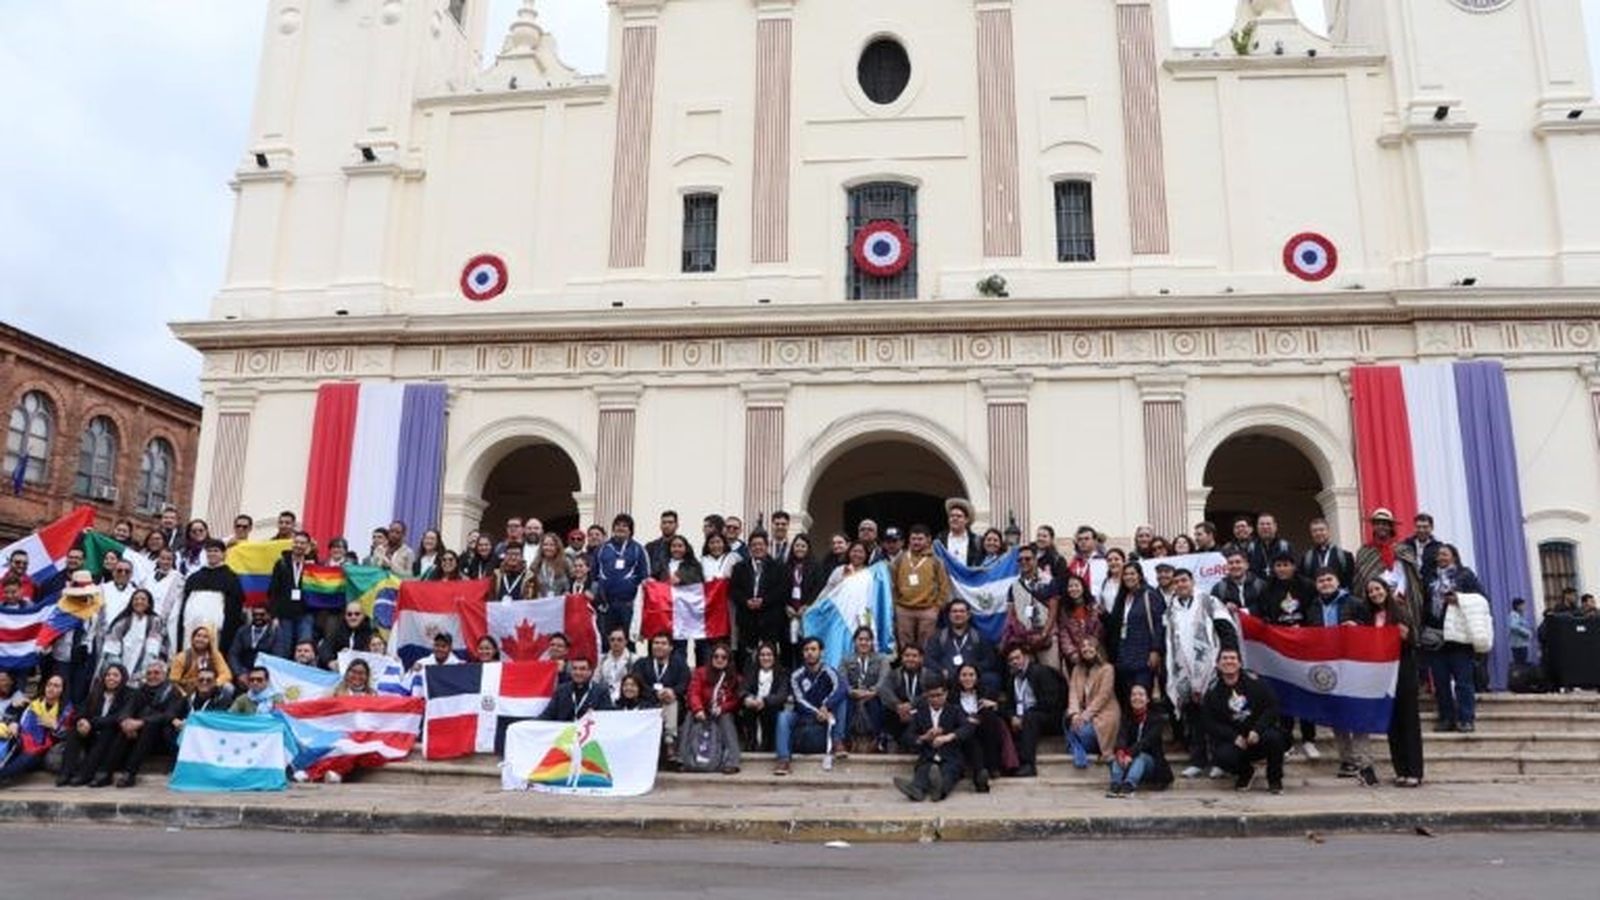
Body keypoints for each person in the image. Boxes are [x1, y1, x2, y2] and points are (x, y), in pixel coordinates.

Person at [1352, 578, 1424, 786]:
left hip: (1403, 672)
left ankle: (1414, 772)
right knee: (1392, 723)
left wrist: (1406, 636)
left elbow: (1414, 640)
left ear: (1386, 589)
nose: (1375, 593)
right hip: (1382, 676)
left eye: (1377, 589)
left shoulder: (1401, 611)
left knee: (1409, 722)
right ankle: (1400, 770)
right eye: (1371, 591)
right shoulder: (1369, 616)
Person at [1256, 551, 1324, 759]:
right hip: (1279, 649)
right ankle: (1286, 742)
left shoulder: (1307, 586)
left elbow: (1315, 610)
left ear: (1294, 566)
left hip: (1304, 648)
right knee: (1282, 695)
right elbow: (1262, 615)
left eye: (1286, 564)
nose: (1282, 569)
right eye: (1278, 565)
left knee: (1305, 692)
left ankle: (1309, 739)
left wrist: (1304, 628)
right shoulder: (1267, 588)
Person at [1204, 648, 1287, 794]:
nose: (1229, 661)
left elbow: (1272, 707)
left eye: (1233, 658)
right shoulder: (1212, 691)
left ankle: (1274, 780)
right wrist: (1233, 737)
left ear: (1240, 663)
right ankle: (1246, 773)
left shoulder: (1255, 682)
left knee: (1276, 738)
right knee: (1221, 756)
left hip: (1258, 736)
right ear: (1217, 664)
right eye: (1224, 658)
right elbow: (1210, 723)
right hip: (1234, 742)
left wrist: (1257, 730)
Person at [1427, 543, 1485, 733]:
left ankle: (1466, 718)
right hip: (1436, 637)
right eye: (1439, 555)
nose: (1441, 558)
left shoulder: (1465, 575)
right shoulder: (1430, 577)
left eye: (1445, 554)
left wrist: (1460, 599)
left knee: (1463, 682)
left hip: (1459, 637)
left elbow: (1482, 598)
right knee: (1441, 682)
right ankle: (1446, 718)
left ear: (1454, 556)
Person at [102, 660, 184, 788]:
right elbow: (127, 709)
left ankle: (130, 774)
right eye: (149, 673)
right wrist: (125, 722)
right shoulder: (140, 690)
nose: (152, 676)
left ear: (164, 674)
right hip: (137, 735)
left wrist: (141, 723)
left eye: (156, 673)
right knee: (124, 728)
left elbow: (168, 716)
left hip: (161, 737)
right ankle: (107, 773)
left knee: (149, 727)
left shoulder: (174, 692)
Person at [772, 637, 846, 776]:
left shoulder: (829, 671)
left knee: (842, 700)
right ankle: (783, 760)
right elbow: (799, 701)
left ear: (821, 652)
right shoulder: (796, 675)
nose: (810, 653)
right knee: (783, 716)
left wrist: (826, 706)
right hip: (804, 716)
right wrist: (818, 711)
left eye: (813, 649)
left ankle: (837, 742)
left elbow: (841, 688)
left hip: (825, 718)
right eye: (806, 650)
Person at [891, 682, 972, 803]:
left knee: (949, 772)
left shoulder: (955, 710)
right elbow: (907, 737)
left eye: (939, 695)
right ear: (927, 697)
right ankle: (916, 790)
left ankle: (939, 790)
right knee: (923, 771)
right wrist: (924, 737)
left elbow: (967, 728)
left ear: (945, 694)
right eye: (932, 696)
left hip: (950, 755)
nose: (935, 699)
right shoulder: (920, 713)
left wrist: (947, 737)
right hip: (928, 755)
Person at [58, 663, 132, 787]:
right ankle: (65, 773)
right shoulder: (96, 692)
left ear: (123, 678)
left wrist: (90, 723)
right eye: (108, 675)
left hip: (112, 740)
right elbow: (81, 711)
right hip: (92, 734)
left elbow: (118, 718)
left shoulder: (129, 694)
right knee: (74, 731)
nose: (111, 678)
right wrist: (81, 720)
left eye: (115, 675)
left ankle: (86, 774)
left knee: (108, 731)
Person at [1107, 563, 1165, 709]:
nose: (1128, 577)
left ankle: (1147, 730)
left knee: (1142, 697)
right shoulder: (1123, 597)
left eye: (1132, 574)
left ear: (1139, 575)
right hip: (1124, 656)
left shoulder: (1150, 595)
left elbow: (1159, 624)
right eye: (1126, 574)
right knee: (1129, 699)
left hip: (1144, 656)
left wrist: (1156, 649)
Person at [174, 539, 245, 656]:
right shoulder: (194, 577)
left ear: (223, 554)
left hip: (216, 629)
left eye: (216, 551)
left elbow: (234, 608)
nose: (212, 554)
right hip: (191, 627)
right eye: (209, 551)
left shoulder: (231, 578)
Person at [1002, 644, 1063, 777]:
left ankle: (1028, 764)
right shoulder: (1012, 679)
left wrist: (1023, 716)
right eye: (1011, 660)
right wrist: (1012, 716)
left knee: (1031, 718)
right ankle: (1008, 763)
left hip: (1046, 716)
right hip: (1023, 716)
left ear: (1026, 657)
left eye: (1017, 658)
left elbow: (1050, 702)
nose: (1014, 662)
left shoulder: (1041, 672)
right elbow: (1009, 704)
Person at [0, 675, 73, 785]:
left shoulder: (67, 711)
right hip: (21, 741)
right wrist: (13, 723)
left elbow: (70, 735)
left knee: (27, 757)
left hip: (42, 751)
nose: (51, 688)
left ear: (63, 690)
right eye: (49, 684)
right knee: (11, 742)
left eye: (56, 686)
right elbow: (9, 716)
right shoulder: (32, 704)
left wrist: (56, 727)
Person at [681, 643, 741, 774]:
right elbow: (693, 692)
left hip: (721, 711)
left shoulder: (733, 678)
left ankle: (732, 761)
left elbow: (735, 700)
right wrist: (698, 709)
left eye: (723, 657)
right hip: (702, 709)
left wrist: (722, 708)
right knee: (689, 717)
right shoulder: (700, 672)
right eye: (716, 656)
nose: (719, 660)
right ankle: (685, 759)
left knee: (726, 719)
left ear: (728, 660)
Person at [891, 525, 950, 658]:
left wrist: (938, 606)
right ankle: (906, 672)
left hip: (928, 609)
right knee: (905, 645)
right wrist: (896, 604)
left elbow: (944, 585)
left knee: (926, 645)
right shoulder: (900, 559)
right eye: (913, 539)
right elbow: (892, 582)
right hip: (904, 608)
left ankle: (924, 673)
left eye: (920, 539)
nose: (916, 542)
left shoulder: (936, 560)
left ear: (928, 540)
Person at [631, 632, 691, 759]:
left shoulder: (680, 664)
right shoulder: (641, 663)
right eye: (656, 643)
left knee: (670, 701)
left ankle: (670, 742)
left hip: (672, 703)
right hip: (647, 701)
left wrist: (673, 691)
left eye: (663, 644)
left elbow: (685, 683)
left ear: (671, 647)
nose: (659, 646)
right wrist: (656, 693)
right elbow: (637, 682)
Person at [1106, 682, 1172, 798]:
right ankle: (1115, 784)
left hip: (1150, 763)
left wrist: (1130, 754)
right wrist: (1121, 752)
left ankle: (1129, 785)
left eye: (1141, 695)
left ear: (1147, 699)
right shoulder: (1127, 717)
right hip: (1128, 761)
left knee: (1140, 757)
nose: (1137, 698)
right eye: (1134, 695)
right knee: (1117, 755)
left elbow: (1146, 742)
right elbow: (1121, 737)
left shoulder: (1156, 719)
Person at [1354, 508, 1424, 613]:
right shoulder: (1365, 551)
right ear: (1373, 526)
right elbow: (1362, 578)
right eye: (1378, 523)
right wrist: (1376, 595)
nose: (1381, 526)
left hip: (1399, 599)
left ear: (1391, 527)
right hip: (1373, 600)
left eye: (1385, 524)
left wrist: (1398, 594)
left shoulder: (1403, 549)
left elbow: (1408, 576)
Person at [950, 662, 1007, 791]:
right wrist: (966, 720)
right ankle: (981, 776)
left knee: (988, 716)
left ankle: (987, 770)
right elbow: (951, 717)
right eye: (964, 675)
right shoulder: (952, 696)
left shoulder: (986, 692)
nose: (968, 678)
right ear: (958, 677)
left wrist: (994, 705)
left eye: (971, 675)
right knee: (971, 738)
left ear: (977, 677)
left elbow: (1005, 711)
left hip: (985, 733)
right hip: (963, 735)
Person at [1003, 545, 1060, 671]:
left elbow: (1053, 610)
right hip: (1025, 640)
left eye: (1027, 559)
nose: (1024, 562)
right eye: (1020, 560)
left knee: (1051, 674)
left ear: (1035, 560)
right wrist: (1020, 635)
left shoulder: (1049, 581)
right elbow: (1011, 615)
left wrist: (1044, 634)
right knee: (1027, 676)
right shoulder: (1014, 586)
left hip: (1047, 637)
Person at [1065, 638, 1119, 771]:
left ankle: (1074, 747)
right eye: (1083, 646)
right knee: (1066, 717)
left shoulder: (1107, 669)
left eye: (1090, 645)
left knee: (1080, 733)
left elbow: (1103, 697)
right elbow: (1073, 694)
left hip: (1103, 715)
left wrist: (1084, 716)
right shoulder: (1077, 669)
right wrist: (1075, 714)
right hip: (1082, 715)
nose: (1086, 648)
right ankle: (1079, 752)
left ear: (1097, 649)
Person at [925, 599, 999, 692]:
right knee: (929, 677)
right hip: (947, 677)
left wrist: (975, 671)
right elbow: (929, 658)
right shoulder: (939, 637)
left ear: (968, 615)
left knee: (992, 678)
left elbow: (989, 660)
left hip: (972, 678)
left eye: (962, 611)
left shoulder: (978, 637)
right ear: (949, 615)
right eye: (954, 611)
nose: (958, 614)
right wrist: (941, 670)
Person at [595, 514, 650, 637]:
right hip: (606, 605)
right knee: (606, 641)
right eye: (618, 525)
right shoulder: (602, 549)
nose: (621, 528)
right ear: (613, 528)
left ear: (631, 530)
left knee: (629, 640)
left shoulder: (638, 549)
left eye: (625, 526)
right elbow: (594, 575)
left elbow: (645, 577)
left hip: (628, 605)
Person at [877, 644, 934, 752]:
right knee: (886, 710)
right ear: (902, 657)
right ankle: (892, 742)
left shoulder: (928, 675)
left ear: (921, 658)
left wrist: (911, 705)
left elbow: (929, 693)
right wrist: (898, 706)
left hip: (920, 712)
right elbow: (884, 690)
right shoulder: (894, 674)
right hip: (898, 712)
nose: (910, 659)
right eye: (907, 656)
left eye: (914, 656)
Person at [267, 530, 317, 656]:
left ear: (308, 546)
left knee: (304, 648)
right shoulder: (281, 563)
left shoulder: (313, 565)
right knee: (283, 648)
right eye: (296, 542)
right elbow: (273, 591)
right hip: (284, 614)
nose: (299, 545)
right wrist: (274, 615)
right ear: (292, 544)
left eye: (303, 543)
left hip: (306, 613)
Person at [840, 626, 888, 754]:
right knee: (845, 703)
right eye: (860, 639)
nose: (863, 643)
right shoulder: (846, 659)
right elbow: (842, 680)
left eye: (867, 640)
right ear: (855, 642)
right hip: (853, 695)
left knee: (878, 702)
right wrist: (851, 691)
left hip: (874, 695)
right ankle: (847, 740)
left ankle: (877, 740)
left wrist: (873, 691)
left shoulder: (882, 659)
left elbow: (884, 680)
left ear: (872, 642)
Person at [101, 587, 167, 679]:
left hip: (145, 669)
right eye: (136, 599)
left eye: (143, 599)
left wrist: (147, 667)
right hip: (122, 665)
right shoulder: (122, 622)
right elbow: (112, 647)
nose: (139, 602)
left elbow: (154, 647)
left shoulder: (155, 621)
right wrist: (118, 669)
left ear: (149, 603)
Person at [738, 641, 789, 752]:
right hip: (753, 706)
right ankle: (751, 742)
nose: (766, 658)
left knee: (769, 710)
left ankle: (768, 744)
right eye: (762, 655)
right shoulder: (751, 671)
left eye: (769, 655)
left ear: (774, 657)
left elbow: (782, 695)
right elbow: (743, 689)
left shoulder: (782, 673)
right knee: (747, 710)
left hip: (771, 708)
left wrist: (764, 701)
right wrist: (747, 698)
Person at [1056, 574, 1104, 675]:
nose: (1073, 589)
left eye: (1076, 585)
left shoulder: (1093, 606)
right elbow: (1063, 633)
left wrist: (1090, 649)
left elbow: (1098, 630)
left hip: (1094, 652)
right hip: (1074, 656)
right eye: (1070, 586)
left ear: (1083, 587)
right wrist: (1072, 653)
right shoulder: (1064, 610)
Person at [539, 657, 613, 721]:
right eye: (575, 668)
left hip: (589, 734)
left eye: (582, 669)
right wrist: (528, 724)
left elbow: (606, 718)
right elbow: (548, 715)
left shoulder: (601, 691)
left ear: (590, 672)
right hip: (564, 734)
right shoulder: (561, 690)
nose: (578, 672)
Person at [170, 626, 234, 699]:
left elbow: (226, 674)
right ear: (193, 639)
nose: (201, 639)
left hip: (210, 689)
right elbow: (173, 681)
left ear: (210, 640)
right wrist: (183, 694)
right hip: (189, 691)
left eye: (205, 637)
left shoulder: (215, 655)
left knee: (228, 687)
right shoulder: (182, 657)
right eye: (198, 636)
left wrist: (212, 684)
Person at [227, 607, 281, 692]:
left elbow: (277, 657)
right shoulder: (242, 631)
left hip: (265, 675)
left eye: (262, 615)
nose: (258, 617)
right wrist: (239, 673)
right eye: (255, 615)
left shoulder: (275, 633)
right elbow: (233, 654)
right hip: (243, 673)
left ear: (269, 616)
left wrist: (262, 676)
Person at [1300, 518, 1356, 590]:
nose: (1318, 533)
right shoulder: (1306, 558)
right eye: (1315, 531)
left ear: (1328, 531)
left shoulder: (1345, 556)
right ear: (1311, 534)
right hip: (1316, 599)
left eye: (1321, 530)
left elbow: (1350, 582)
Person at [318, 603, 375, 670]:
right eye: (349, 614)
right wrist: (330, 661)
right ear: (345, 616)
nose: (353, 617)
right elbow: (325, 647)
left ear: (363, 615)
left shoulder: (370, 633)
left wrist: (351, 654)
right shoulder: (338, 631)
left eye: (357, 614)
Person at [1210, 548, 1265, 617]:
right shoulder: (1218, 589)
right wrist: (1224, 608)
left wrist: (1245, 611)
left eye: (1238, 562)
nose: (1234, 566)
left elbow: (1266, 607)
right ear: (1226, 566)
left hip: (1258, 625)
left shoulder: (1260, 585)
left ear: (1246, 565)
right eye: (1230, 563)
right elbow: (1214, 612)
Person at [935, 498, 983, 567]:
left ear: (966, 520)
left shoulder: (976, 540)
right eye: (952, 516)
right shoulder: (940, 539)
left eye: (959, 516)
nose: (955, 518)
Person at [1247, 514, 1293, 581]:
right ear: (1257, 527)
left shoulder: (1285, 546)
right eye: (1262, 524)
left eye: (1268, 524)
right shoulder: (1251, 547)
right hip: (1257, 588)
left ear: (1275, 527)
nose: (1265, 527)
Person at [596, 628, 637, 702]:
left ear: (626, 641)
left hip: (625, 698)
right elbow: (596, 681)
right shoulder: (601, 660)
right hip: (605, 698)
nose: (616, 643)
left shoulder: (634, 659)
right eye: (612, 640)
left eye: (619, 640)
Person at [1407, 513, 1444, 590]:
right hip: (1410, 589)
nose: (1421, 530)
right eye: (1418, 527)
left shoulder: (1439, 547)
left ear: (1432, 528)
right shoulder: (1406, 544)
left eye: (1425, 527)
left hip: (1430, 590)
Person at [529, 533, 573, 598]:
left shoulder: (566, 562)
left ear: (557, 547)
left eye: (552, 545)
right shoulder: (536, 564)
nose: (548, 548)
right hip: (541, 603)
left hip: (561, 603)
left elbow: (574, 581)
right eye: (545, 545)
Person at [645, 510, 681, 579]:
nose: (667, 525)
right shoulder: (650, 547)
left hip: (676, 587)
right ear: (660, 525)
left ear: (677, 525)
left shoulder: (683, 547)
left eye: (670, 522)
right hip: (656, 587)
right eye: (664, 523)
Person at [1509, 598, 1532, 666]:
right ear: (1517, 606)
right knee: (1520, 665)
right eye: (1522, 605)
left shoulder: (1520, 615)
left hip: (1522, 644)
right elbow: (1513, 626)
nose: (1524, 607)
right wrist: (1526, 632)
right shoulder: (1514, 615)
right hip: (1518, 645)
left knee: (1523, 664)